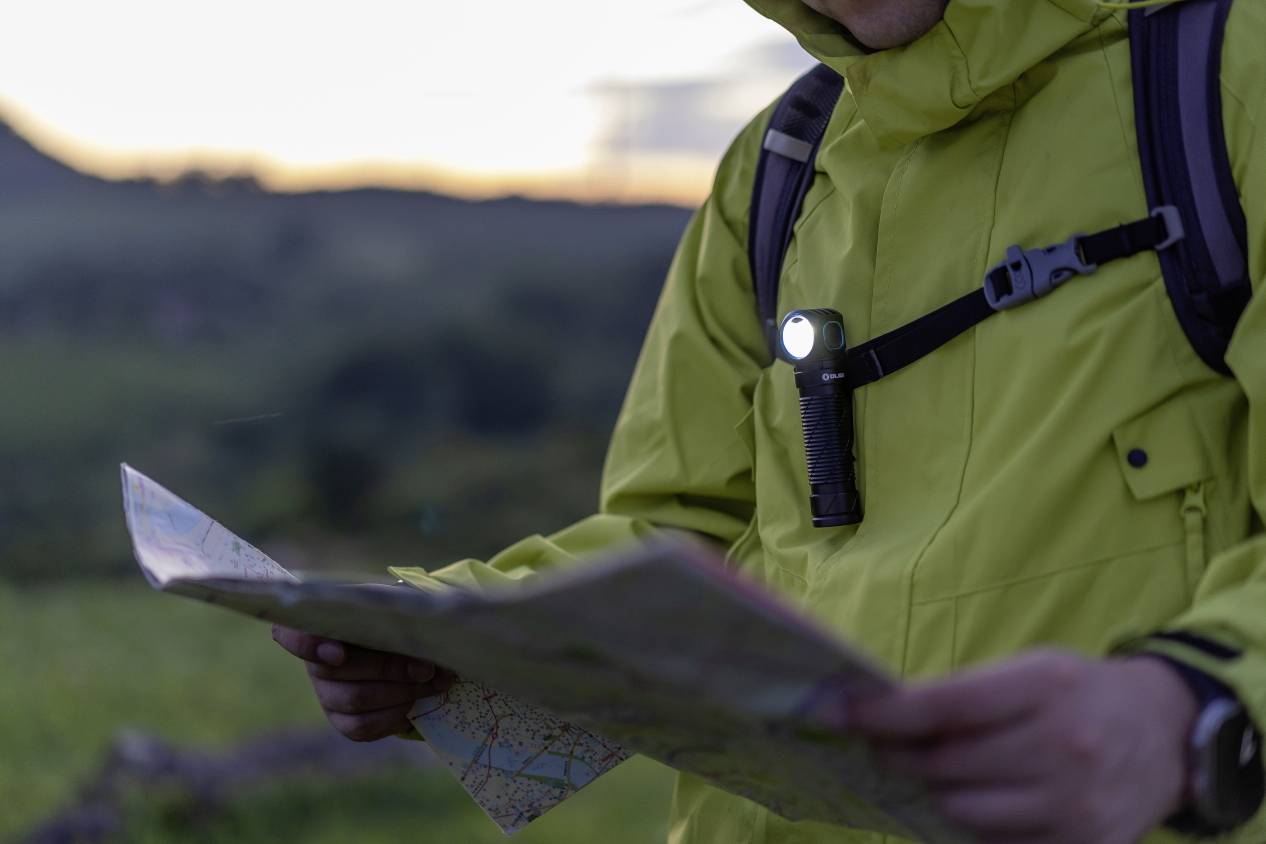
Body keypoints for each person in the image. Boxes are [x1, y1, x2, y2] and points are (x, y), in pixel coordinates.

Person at [273, 0, 1266, 841]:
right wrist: (453, 638)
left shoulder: (1230, 78)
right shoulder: (776, 170)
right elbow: (684, 543)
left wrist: (1191, 710)